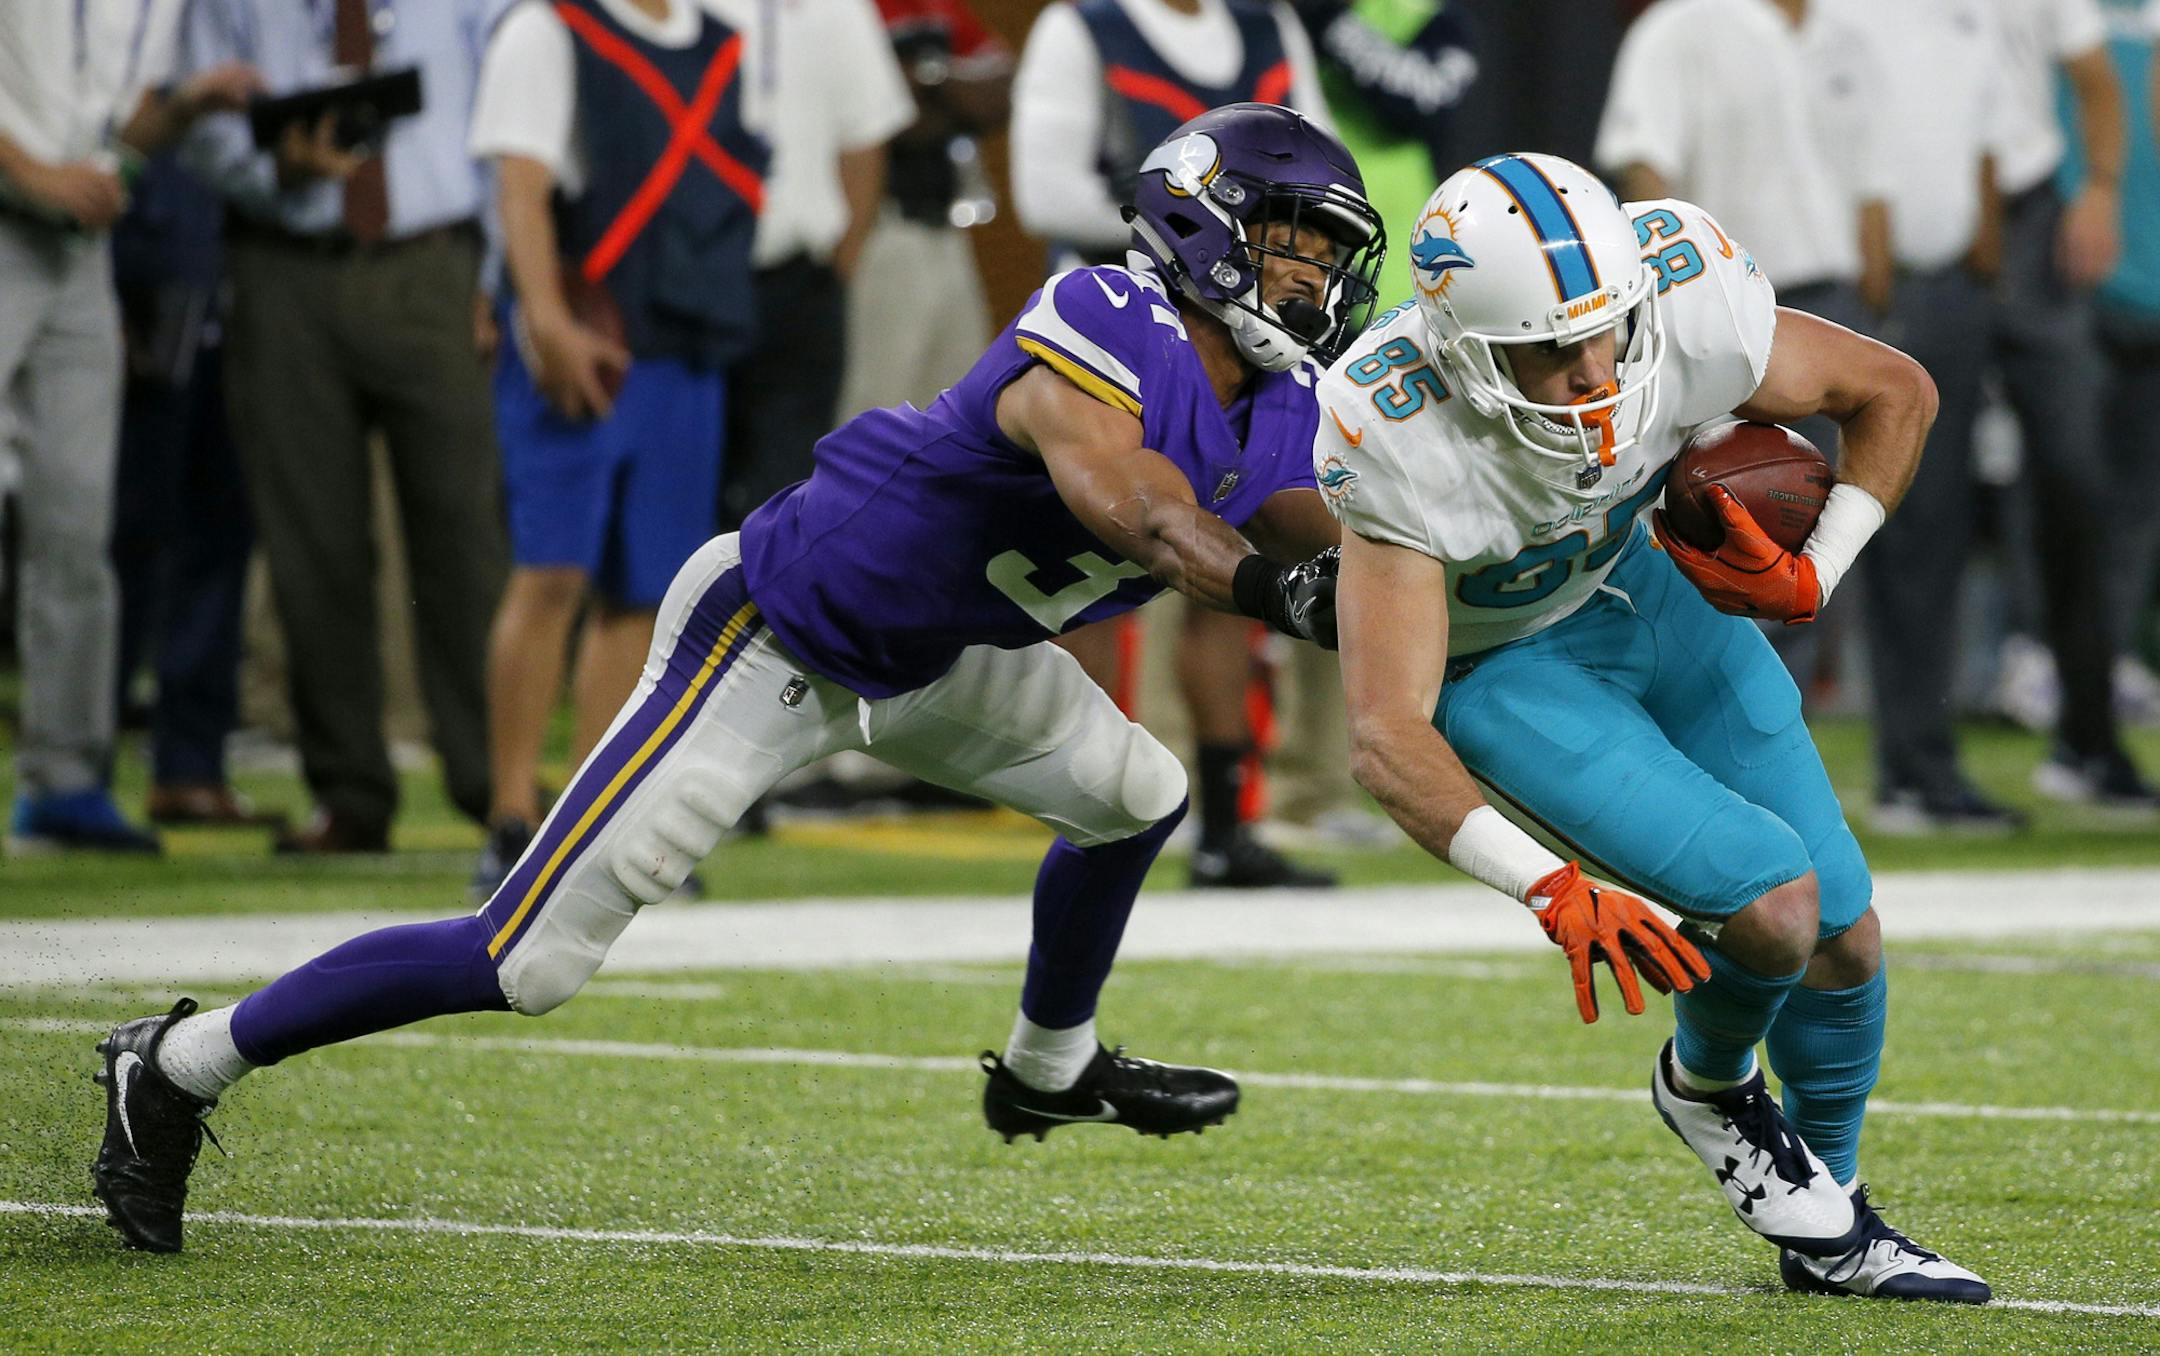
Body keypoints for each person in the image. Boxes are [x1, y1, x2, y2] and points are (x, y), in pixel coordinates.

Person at [86, 103, 1383, 1255]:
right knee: (527, 961)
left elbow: (1325, 527)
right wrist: (1281, 595)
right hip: (772, 631)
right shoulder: (1108, 311)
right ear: (1199, 217)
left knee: (1138, 792)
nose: (1313, 277)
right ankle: (177, 1065)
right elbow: (1137, 507)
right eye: (1293, 241)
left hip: (947, 654)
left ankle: (1051, 1070)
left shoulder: (1274, 393)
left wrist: (1437, 568)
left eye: (1329, 254)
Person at [1319, 152, 1987, 1300]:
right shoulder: (1394, 427)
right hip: (1509, 661)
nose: (1591, 372)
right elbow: (1388, 732)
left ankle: (1831, 1216)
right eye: (1548, 349)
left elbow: (1896, 390)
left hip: (1646, 589)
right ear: (1465, 355)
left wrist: (1817, 574)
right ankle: (1712, 1086)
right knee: (1774, 910)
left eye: (1604, 332)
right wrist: (1543, 887)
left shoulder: (1681, 294)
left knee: (1847, 935)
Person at [1012, 0, 1340, 888]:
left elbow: (1320, 169)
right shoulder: (1082, 27)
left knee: (1231, 555)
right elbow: (1044, 192)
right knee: (1088, 550)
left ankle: (1225, 823)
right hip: (1125, 308)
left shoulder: (1269, 26)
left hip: (1241, 324)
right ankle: (1068, 794)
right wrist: (1208, 231)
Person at [178, 0, 512, 853]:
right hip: (284, 263)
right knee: (311, 543)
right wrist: (277, 167)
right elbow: (197, 118)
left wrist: (498, 276)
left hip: (433, 261)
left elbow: (505, 106)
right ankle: (351, 791)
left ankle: (494, 784)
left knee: (465, 531)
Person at [465, 0, 770, 897]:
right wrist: (546, 320)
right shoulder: (547, 28)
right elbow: (518, 186)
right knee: (552, 573)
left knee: (650, 593)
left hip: (685, 339)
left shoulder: (720, 43)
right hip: (589, 339)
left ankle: (598, 820)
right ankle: (513, 815)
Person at [0, 1, 256, 853]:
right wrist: (34, 175)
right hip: (9, 215)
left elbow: (121, 125)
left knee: (76, 521)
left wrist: (183, 110)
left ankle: (64, 781)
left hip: (75, 252)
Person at [1595, 0, 1893, 691]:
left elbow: (1874, 189)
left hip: (1831, 306)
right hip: (1714, 319)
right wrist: (1659, 312)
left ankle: (1778, 718)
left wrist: (1877, 312)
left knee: (1806, 528)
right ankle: (1685, 706)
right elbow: (1644, 175)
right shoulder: (1678, 25)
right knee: (1703, 521)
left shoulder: (1846, 34)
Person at [1980, 0, 2158, 809]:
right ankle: (2027, 648)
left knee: (2124, 500)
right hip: (2067, 266)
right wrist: (2096, 194)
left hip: (2136, 278)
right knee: (2058, 476)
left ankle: (2099, 677)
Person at [109, 150, 282, 833]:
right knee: (125, 535)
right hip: (143, 280)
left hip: (227, 296)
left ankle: (188, 765)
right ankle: (76, 764)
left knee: (221, 532)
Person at [713, 0, 913, 531]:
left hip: (799, 284)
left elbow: (866, 139)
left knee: (783, 500)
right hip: (690, 286)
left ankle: (763, 615)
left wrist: (837, 270)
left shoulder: (840, 9)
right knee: (679, 498)